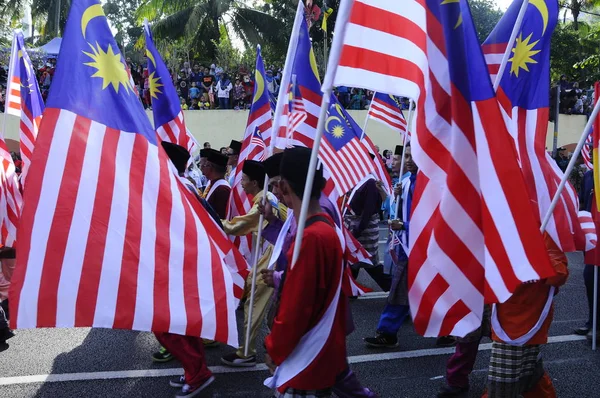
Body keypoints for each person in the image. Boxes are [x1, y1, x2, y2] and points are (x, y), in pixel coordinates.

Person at [259, 150, 376, 398]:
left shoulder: (312, 234)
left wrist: (275, 347)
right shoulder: (318, 224)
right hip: (319, 343)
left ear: (284, 185)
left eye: (276, 185)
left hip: (306, 351)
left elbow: (297, 306)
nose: (275, 192)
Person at [153, 142, 217, 397]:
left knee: (164, 324)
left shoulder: (178, 188)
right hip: (176, 264)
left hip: (178, 266)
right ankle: (195, 371)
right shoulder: (179, 186)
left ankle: (198, 373)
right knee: (183, 325)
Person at [484, 234, 568, 398]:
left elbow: (560, 273)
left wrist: (533, 262)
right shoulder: (498, 221)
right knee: (530, 376)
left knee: (502, 387)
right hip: (500, 313)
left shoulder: (545, 229)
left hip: (521, 322)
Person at [220, 160, 279, 367]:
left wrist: (217, 224)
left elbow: (243, 224)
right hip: (272, 253)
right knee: (273, 307)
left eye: (244, 180)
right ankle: (278, 345)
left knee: (254, 301)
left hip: (272, 256)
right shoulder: (264, 197)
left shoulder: (265, 199)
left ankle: (246, 353)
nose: (241, 184)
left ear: (255, 182)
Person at [364, 145, 417, 349]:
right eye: (406, 156)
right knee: (402, 288)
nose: (408, 160)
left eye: (413, 156)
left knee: (401, 289)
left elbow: (431, 218)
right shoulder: (406, 182)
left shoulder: (428, 182)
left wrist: (405, 225)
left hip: (419, 246)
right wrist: (396, 196)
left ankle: (388, 332)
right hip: (406, 245)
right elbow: (393, 210)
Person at [575, 169, 600, 338]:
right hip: (593, 239)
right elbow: (582, 204)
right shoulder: (589, 176)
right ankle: (593, 322)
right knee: (591, 279)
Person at [200, 149, 231, 219]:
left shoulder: (222, 189)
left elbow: (220, 218)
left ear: (210, 167)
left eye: (205, 165)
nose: (202, 167)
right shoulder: (213, 183)